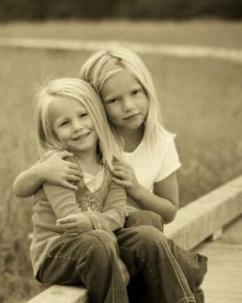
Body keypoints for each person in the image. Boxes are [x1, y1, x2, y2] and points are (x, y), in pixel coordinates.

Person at [14, 47, 206, 302]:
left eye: (83, 116)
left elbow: (122, 210)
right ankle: (188, 268)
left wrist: (128, 198)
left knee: (146, 230)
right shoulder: (59, 166)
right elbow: (70, 220)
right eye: (65, 123)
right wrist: (41, 171)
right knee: (103, 241)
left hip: (106, 239)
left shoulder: (111, 161)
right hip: (61, 250)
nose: (78, 127)